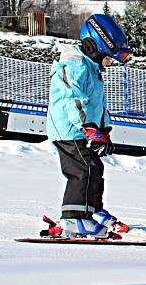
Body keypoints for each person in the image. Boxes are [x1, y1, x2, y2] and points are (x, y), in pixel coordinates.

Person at [45, 14, 133, 239]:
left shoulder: (91, 67)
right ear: (94, 47)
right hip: (68, 130)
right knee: (83, 169)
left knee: (95, 168)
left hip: (82, 130)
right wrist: (89, 127)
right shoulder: (74, 65)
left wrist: (103, 131)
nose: (109, 62)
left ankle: (92, 210)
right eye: (108, 57)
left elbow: (97, 104)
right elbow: (74, 99)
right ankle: (74, 217)